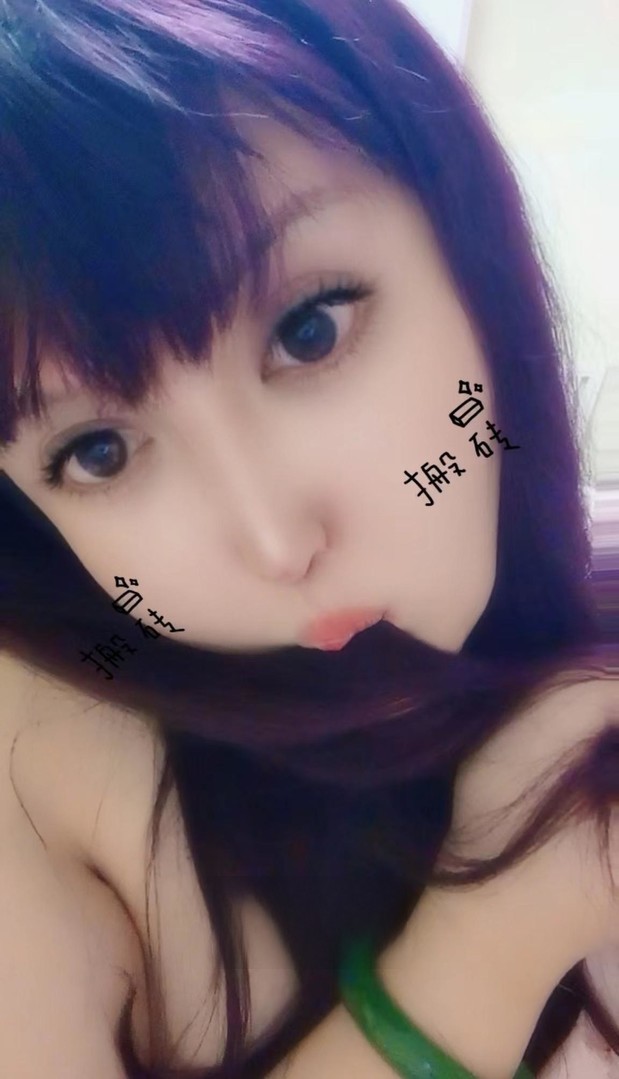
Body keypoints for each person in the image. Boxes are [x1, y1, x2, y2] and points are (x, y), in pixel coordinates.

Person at [0, 0, 617, 1076]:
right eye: (97, 451)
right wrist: (488, 944)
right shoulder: (41, 763)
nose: (276, 543)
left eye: (309, 329)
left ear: (459, 238)